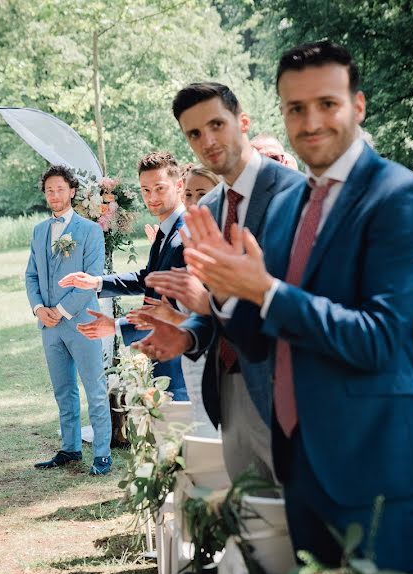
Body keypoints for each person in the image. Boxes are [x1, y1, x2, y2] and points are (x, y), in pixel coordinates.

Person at [180, 41, 413, 574]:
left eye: (327, 103)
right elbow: (257, 341)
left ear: (359, 106)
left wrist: (267, 290)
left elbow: (377, 338)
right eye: (295, 108)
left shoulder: (401, 196)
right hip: (298, 461)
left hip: (374, 464)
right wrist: (229, 291)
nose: (310, 120)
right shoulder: (287, 204)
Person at [135, 82, 304, 483]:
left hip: (290, 392)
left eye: (216, 124)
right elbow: (212, 306)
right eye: (194, 133)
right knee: (249, 523)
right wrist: (188, 335)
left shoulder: (297, 194)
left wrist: (209, 304)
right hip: (226, 391)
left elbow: (299, 300)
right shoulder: (208, 209)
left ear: (242, 121)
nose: (207, 140)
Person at [60, 151, 189, 401]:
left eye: (159, 188)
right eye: (145, 190)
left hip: (179, 360)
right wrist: (96, 282)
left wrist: (116, 326)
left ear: (179, 185)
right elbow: (147, 279)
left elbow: (175, 310)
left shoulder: (184, 237)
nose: (151, 197)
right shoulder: (167, 232)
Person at [24, 165, 112, 475]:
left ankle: (102, 455)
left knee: (95, 388)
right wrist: (38, 309)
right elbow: (31, 274)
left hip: (82, 321)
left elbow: (91, 278)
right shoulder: (39, 231)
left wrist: (59, 312)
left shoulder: (90, 231)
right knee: (63, 390)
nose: (55, 194)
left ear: (72, 191)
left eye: (60, 189)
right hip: (48, 325)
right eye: (49, 190)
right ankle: (71, 449)